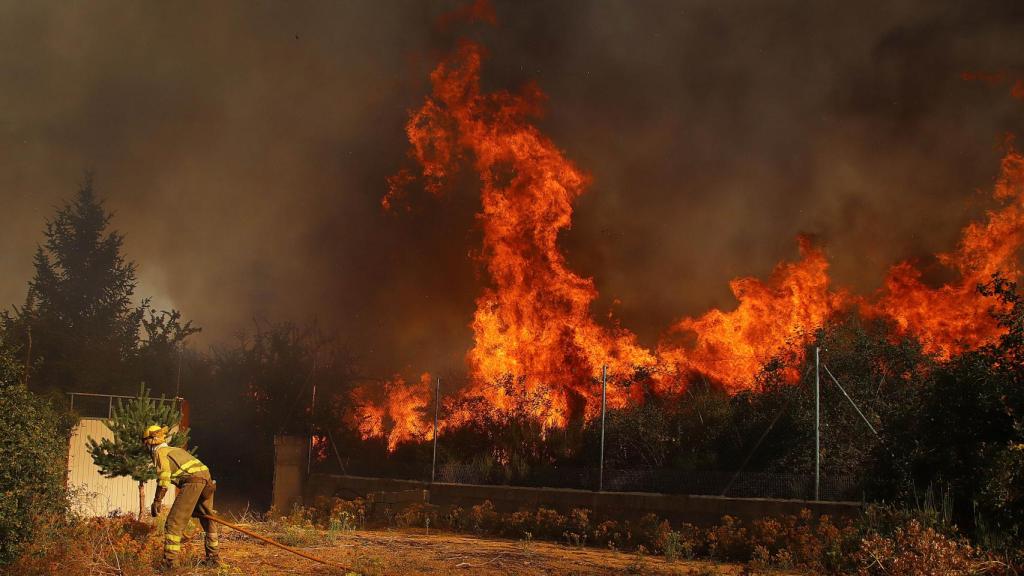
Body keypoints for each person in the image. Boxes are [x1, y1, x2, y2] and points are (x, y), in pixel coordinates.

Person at [142, 424, 221, 568]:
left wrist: (157, 500)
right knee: (208, 519)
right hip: (207, 480)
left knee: (173, 523)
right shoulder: (175, 450)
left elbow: (164, 478)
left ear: (150, 442)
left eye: (145, 443)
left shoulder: (160, 452)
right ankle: (213, 558)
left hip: (193, 482)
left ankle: (170, 563)